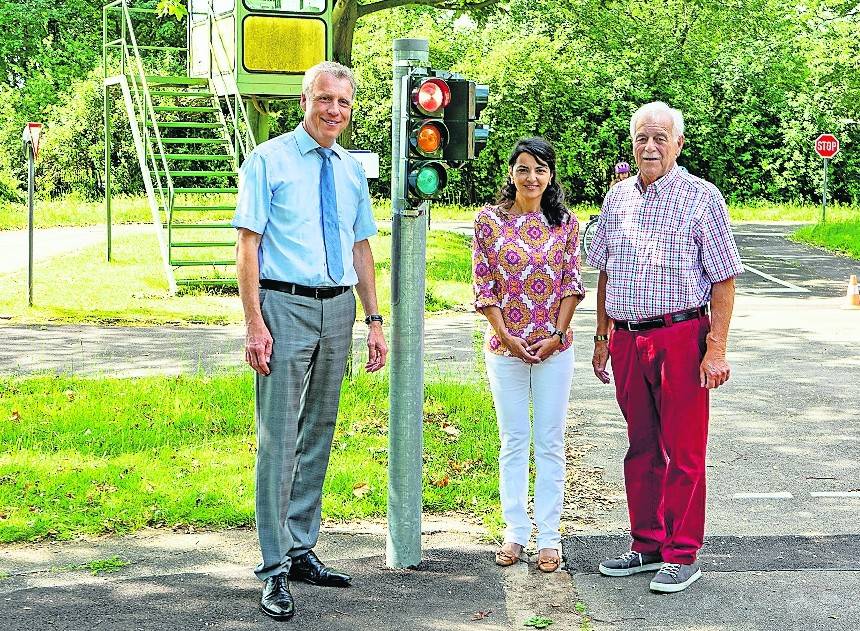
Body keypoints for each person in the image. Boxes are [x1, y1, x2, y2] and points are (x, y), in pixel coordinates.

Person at [233, 60, 388, 621]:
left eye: (344, 103)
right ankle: (273, 568)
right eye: (325, 99)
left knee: (318, 432)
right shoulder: (268, 160)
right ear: (306, 100)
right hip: (284, 306)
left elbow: (362, 248)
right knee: (278, 440)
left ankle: (301, 547)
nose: (334, 111)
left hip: (337, 310)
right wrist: (255, 322)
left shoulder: (349, 169)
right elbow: (247, 246)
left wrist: (373, 319)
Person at [587, 102, 744, 593]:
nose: (649, 147)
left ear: (677, 144)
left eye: (660, 138)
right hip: (629, 337)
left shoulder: (703, 197)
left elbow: (724, 280)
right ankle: (647, 544)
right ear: (631, 145)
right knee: (641, 448)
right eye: (641, 138)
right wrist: (601, 335)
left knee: (683, 449)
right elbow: (605, 271)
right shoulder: (618, 199)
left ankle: (682, 552)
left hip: (681, 336)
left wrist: (714, 348)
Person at [472, 137, 585, 573]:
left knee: (550, 442)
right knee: (514, 440)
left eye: (540, 169)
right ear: (511, 173)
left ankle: (550, 536)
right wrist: (506, 335)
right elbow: (483, 285)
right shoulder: (489, 221)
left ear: (550, 175)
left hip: (555, 349)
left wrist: (557, 334)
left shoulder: (566, 223)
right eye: (523, 168)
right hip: (506, 350)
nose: (531, 177)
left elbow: (572, 283)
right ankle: (515, 532)